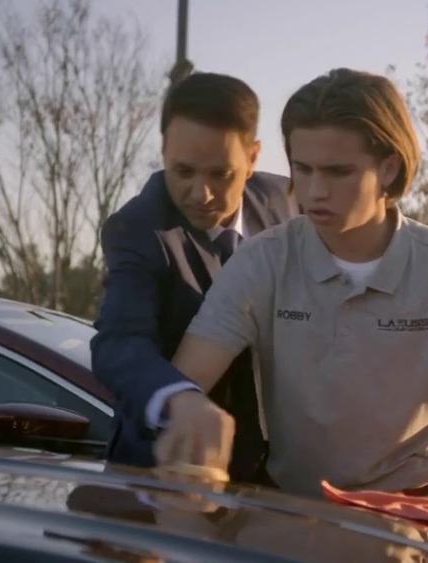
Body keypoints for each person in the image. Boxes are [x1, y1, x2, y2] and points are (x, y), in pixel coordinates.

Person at [153, 68, 428, 520]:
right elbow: (187, 377)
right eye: (302, 170)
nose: (314, 191)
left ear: (390, 167)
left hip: (412, 520)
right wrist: (183, 406)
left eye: (338, 172)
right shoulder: (262, 261)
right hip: (289, 516)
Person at [90, 72, 298, 483]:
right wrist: (179, 399)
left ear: (254, 158)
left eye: (220, 174)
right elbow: (119, 341)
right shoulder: (136, 229)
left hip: (281, 482)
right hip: (166, 473)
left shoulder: (287, 203)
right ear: (164, 149)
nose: (200, 193)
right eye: (183, 171)